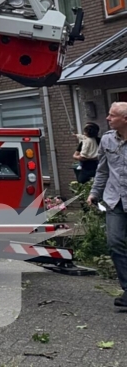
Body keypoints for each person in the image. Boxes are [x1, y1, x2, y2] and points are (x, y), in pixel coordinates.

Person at [87, 102, 127, 308]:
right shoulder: (107, 140)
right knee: (115, 242)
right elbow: (102, 170)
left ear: (125, 119)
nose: (108, 119)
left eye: (112, 116)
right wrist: (95, 193)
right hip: (115, 200)